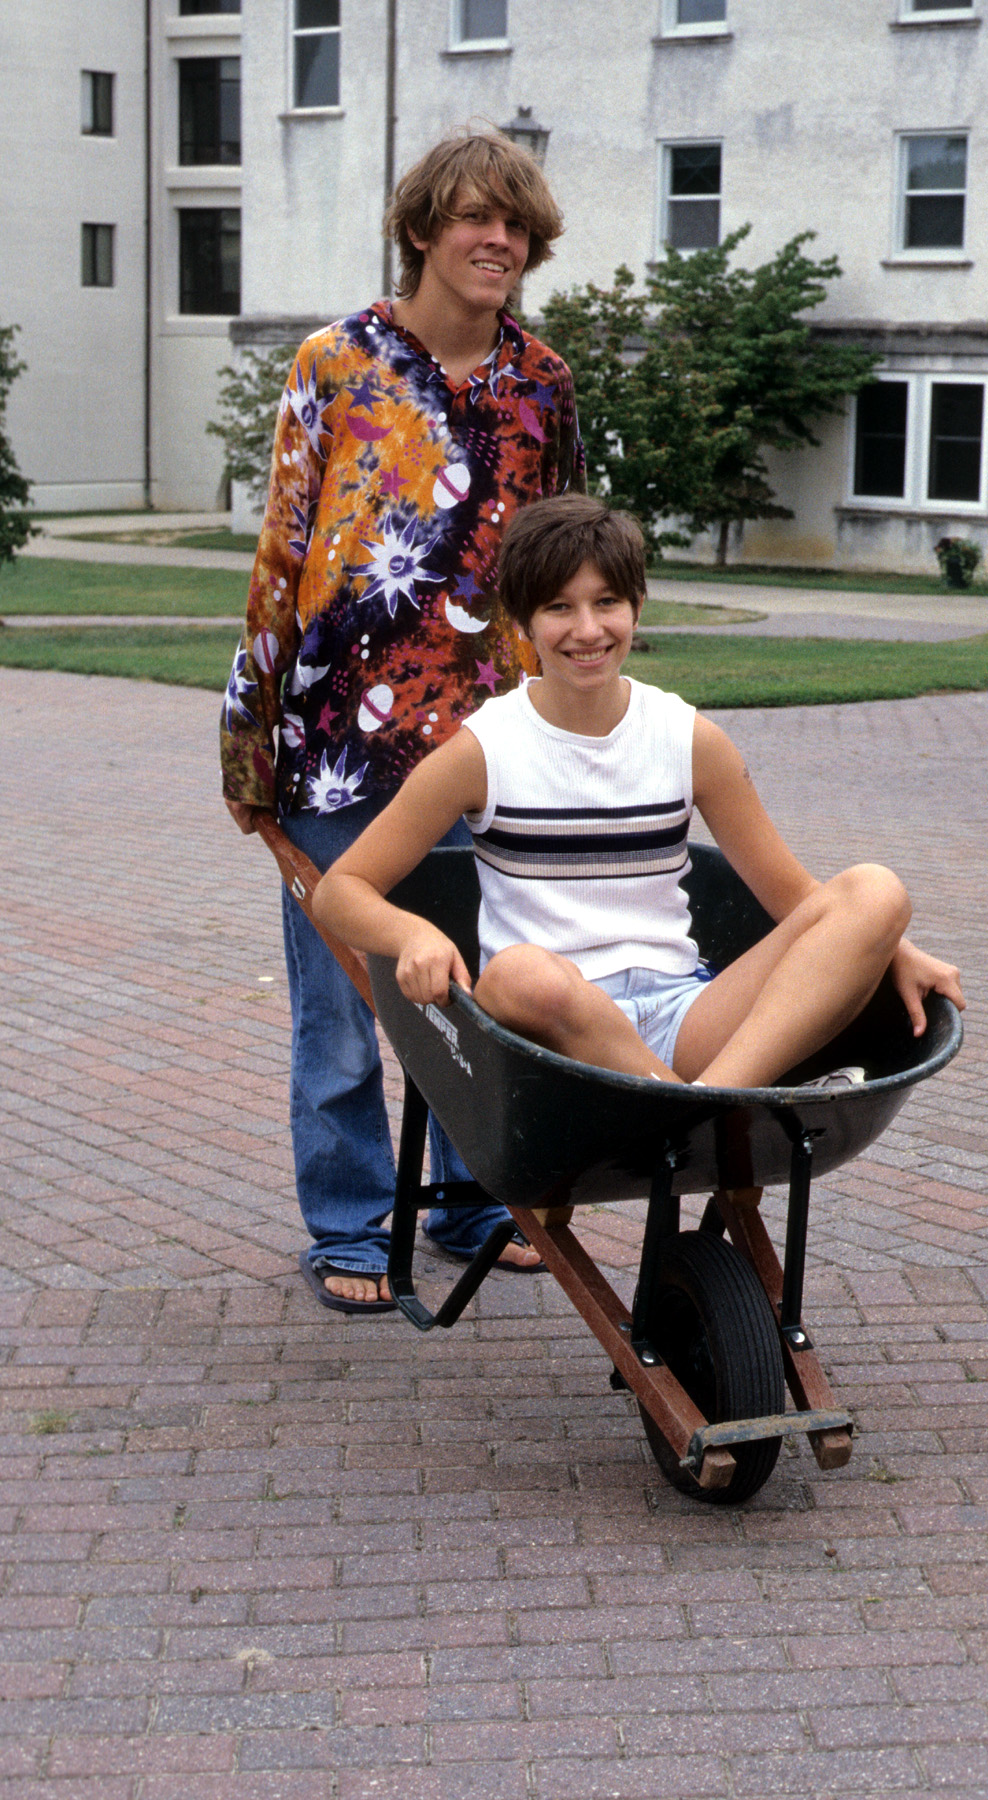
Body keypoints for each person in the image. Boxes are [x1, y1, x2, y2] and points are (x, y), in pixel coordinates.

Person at [220, 132, 585, 1312]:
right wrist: (248, 743)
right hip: (336, 750)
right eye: (477, 218)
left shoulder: (544, 383)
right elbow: (282, 556)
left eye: (517, 226)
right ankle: (351, 1221)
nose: (499, 241)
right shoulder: (334, 364)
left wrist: (582, 725)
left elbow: (568, 564)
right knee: (341, 1007)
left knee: (481, 993)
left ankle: (474, 1203)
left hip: (493, 753)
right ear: (422, 229)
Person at [312, 497, 965, 1104]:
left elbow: (798, 898)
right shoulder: (484, 751)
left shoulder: (688, 740)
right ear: (521, 622)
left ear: (638, 606)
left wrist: (893, 946)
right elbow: (340, 891)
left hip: (685, 1015)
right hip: (556, 1031)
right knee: (516, 975)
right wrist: (413, 933)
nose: (588, 629)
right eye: (559, 608)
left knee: (877, 891)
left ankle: (705, 1104)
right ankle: (707, 1112)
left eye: (608, 602)